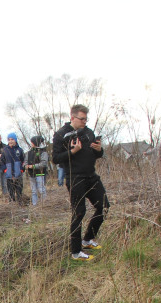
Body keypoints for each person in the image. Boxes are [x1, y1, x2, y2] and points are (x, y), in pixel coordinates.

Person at [53, 104, 106, 262]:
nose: (84, 122)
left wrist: (99, 150)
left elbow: (95, 154)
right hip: (75, 178)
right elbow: (55, 158)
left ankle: (88, 239)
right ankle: (76, 252)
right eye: (82, 119)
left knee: (103, 207)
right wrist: (72, 152)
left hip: (92, 176)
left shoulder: (88, 132)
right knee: (79, 212)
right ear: (72, 117)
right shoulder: (61, 134)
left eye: (86, 119)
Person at [0, 132, 26, 203]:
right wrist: (5, 170)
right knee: (11, 193)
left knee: (19, 192)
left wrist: (22, 170)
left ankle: (20, 204)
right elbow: (1, 162)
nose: (10, 141)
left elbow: (24, 161)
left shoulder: (20, 150)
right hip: (9, 176)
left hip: (18, 175)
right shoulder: (5, 150)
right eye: (9, 139)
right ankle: (12, 206)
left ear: (15, 140)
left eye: (12, 139)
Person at [26, 135, 49, 206]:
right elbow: (25, 161)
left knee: (41, 189)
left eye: (32, 142)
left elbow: (44, 163)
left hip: (40, 174)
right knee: (33, 191)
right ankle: (34, 205)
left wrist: (33, 166)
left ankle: (44, 204)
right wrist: (26, 166)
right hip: (31, 174)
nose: (31, 143)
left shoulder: (43, 152)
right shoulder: (29, 152)